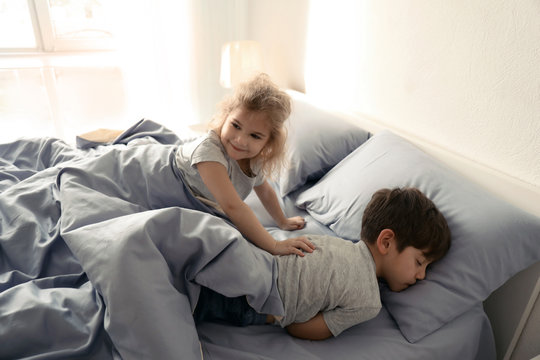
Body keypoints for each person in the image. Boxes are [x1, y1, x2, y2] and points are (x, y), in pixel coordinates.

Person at [193, 187, 452, 340]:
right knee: (194, 302)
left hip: (253, 262)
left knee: (194, 266)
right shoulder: (369, 302)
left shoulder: (333, 242)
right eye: (420, 262)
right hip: (256, 302)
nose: (422, 276)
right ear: (386, 242)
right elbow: (302, 329)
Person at [174, 73, 315, 256]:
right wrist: (273, 245)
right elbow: (233, 207)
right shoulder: (209, 154)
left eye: (255, 136)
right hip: (164, 179)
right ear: (225, 116)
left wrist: (282, 221)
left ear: (268, 142)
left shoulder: (252, 158)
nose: (240, 140)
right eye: (236, 125)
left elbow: (264, 190)